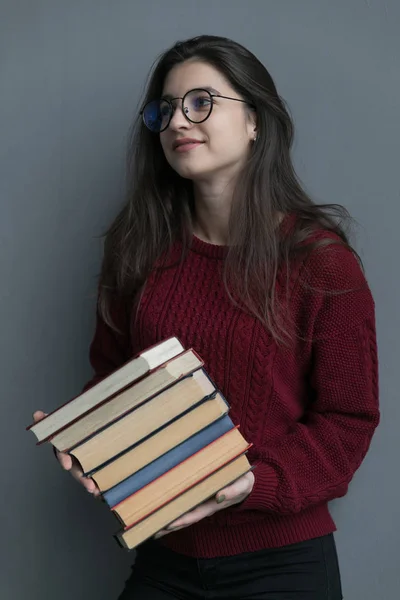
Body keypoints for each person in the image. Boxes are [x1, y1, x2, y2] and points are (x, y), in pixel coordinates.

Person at [33, 35, 380, 599]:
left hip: (282, 564)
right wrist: (92, 444)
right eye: (164, 109)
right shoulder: (138, 249)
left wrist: (250, 481)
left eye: (201, 102)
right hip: (165, 559)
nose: (177, 122)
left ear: (256, 122)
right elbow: (112, 379)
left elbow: (349, 420)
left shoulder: (321, 264)